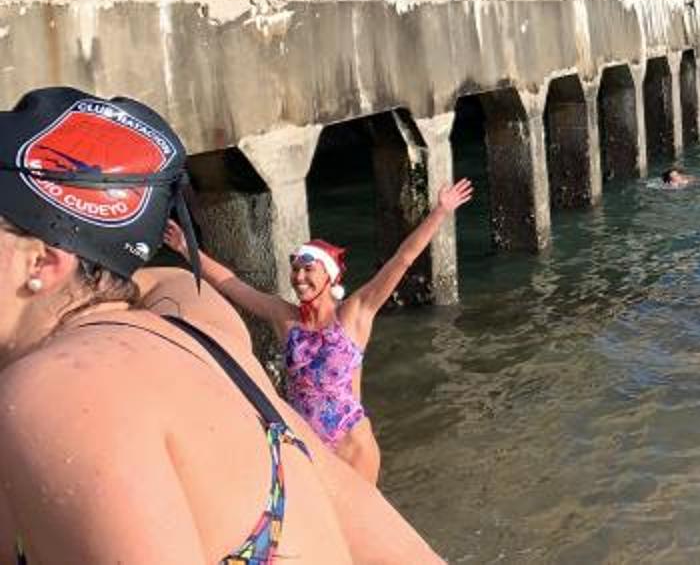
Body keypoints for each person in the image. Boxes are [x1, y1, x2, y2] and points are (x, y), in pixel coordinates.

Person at [0, 87, 440, 561]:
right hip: (306, 443)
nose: (300, 278)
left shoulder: (64, 393)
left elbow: (397, 265)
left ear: (42, 263)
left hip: (348, 436)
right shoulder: (206, 336)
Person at [169, 178, 474, 483]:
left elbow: (402, 260)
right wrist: (188, 249)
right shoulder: (284, 318)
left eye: (308, 270)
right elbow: (231, 284)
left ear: (329, 277)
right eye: (296, 269)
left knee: (358, 527)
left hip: (352, 446)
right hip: (306, 446)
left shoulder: (355, 314)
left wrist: (440, 212)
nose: (299, 277)